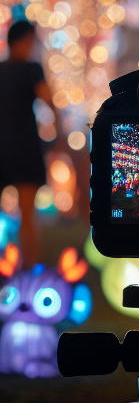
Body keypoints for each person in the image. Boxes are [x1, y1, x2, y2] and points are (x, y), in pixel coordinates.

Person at [0, 21, 52, 267]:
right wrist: (57, 134)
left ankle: (8, 270)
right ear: (24, 40)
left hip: (2, 145)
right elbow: (48, 102)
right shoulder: (33, 69)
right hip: (25, 146)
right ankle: (30, 269)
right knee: (28, 216)